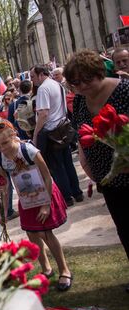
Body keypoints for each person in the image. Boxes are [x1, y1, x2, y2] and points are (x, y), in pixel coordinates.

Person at [64, 50, 129, 291]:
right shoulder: (80, 99)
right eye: (75, 82)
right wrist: (85, 160)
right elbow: (81, 132)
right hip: (106, 176)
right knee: (123, 227)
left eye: (86, 79)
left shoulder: (124, 90)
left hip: (127, 171)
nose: (81, 86)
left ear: (98, 72)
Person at [0, 120, 72, 291]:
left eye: (5, 143)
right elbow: (4, 186)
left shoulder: (28, 150)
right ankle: (46, 268)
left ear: (13, 136)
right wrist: (3, 213)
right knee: (32, 233)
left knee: (45, 232)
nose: (2, 148)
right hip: (26, 197)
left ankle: (65, 270)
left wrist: (46, 205)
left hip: (45, 192)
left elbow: (47, 176)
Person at [30, 64, 83, 206]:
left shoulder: (43, 88)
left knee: (57, 166)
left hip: (51, 131)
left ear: (41, 74)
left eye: (33, 77)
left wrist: (36, 133)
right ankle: (77, 192)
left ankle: (67, 196)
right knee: (67, 163)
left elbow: (43, 113)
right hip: (62, 128)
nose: (32, 80)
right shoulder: (56, 84)